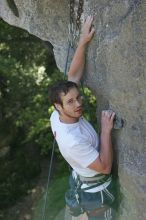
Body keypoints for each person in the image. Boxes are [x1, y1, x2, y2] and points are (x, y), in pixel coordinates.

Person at [50, 15, 116, 220]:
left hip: (79, 177)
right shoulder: (72, 141)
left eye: (78, 97)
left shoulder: (56, 115)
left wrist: (83, 42)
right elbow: (105, 168)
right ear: (58, 106)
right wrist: (105, 130)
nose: (78, 104)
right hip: (95, 192)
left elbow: (73, 75)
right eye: (71, 102)